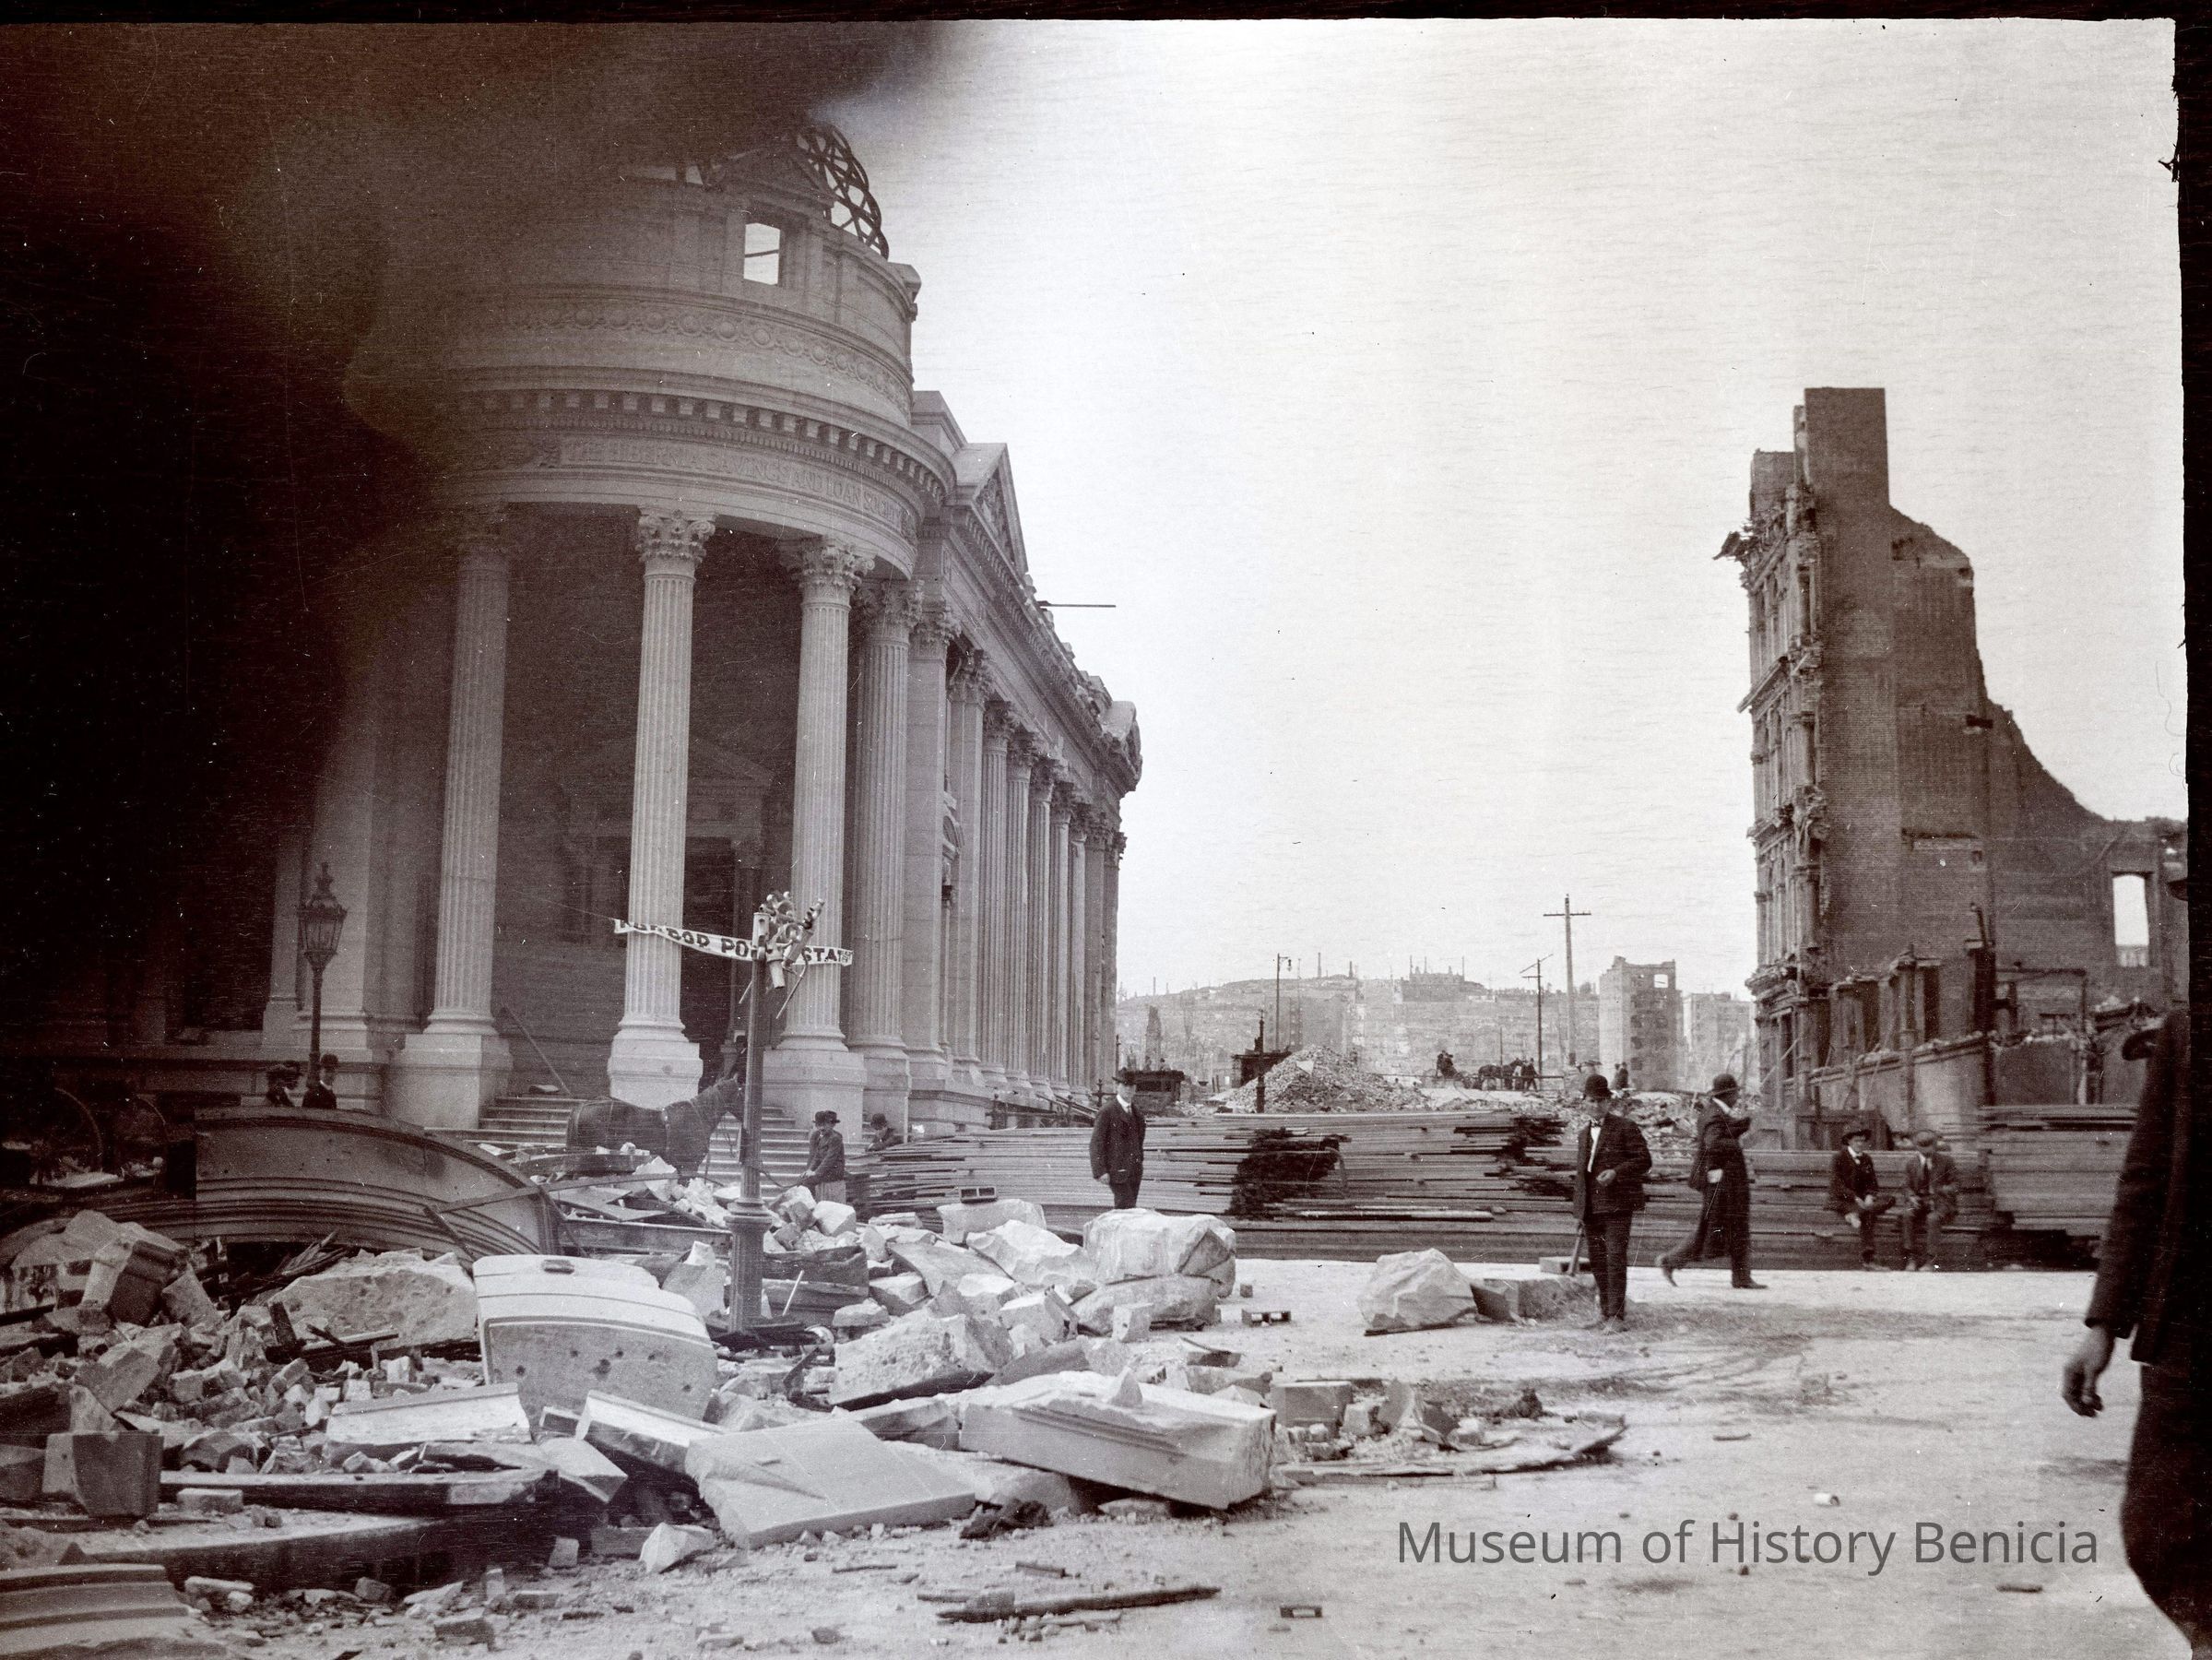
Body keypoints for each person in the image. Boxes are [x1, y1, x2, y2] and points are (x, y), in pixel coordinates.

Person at [2063, 1007, 2206, 1655]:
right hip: (2192, 1325)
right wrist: (2103, 1324)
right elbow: (2144, 1180)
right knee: (2159, 1528)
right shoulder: (2187, 1032)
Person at [1657, 1072, 1763, 1289]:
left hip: (1723, 1181)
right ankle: (1670, 1261)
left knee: (1732, 1226)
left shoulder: (1714, 1112)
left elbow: (1725, 1129)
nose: (1738, 1097)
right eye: (1736, 1093)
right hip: (1722, 1183)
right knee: (1720, 1227)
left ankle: (1741, 1277)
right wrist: (1739, 1144)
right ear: (1728, 1095)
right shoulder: (1715, 1114)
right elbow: (1713, 1143)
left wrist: (1744, 1124)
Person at [1571, 1074, 1650, 1331]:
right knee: (1598, 1262)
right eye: (1591, 1101)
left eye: (1601, 1101)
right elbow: (1582, 1175)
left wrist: (1616, 1172)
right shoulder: (1583, 1134)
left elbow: (1644, 1160)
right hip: (1592, 1208)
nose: (1596, 1105)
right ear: (1584, 1102)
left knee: (1615, 1259)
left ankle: (1617, 1317)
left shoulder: (1625, 1127)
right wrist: (1580, 1211)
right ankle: (1604, 1313)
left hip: (1617, 1206)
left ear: (1609, 1102)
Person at [1828, 1126, 1897, 1269]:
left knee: (1890, 1199)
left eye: (1862, 1141)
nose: (1860, 1144)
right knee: (1868, 1215)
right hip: (1844, 1199)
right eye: (1856, 1141)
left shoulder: (1866, 1158)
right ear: (1849, 1141)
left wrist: (1870, 1196)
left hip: (1863, 1202)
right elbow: (1836, 1185)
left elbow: (1872, 1183)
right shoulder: (1839, 1157)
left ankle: (1855, 1214)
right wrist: (1855, 1197)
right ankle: (1869, 1259)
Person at [1900, 1129, 1958, 1271]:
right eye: (1922, 1149)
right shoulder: (1911, 1163)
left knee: (1933, 1218)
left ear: (1935, 1146)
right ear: (1917, 1147)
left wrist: (1939, 1190)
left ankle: (1930, 1261)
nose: (1926, 1152)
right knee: (1907, 1214)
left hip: (1941, 1203)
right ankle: (1911, 1258)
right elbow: (1906, 1186)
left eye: (1929, 1149)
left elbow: (1956, 1186)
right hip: (1919, 1202)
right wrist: (1911, 1197)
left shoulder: (1947, 1162)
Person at [1090, 1082, 1146, 1208]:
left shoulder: (1137, 1113)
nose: (1128, 1089)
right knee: (1125, 1205)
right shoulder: (1107, 1111)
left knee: (1129, 1208)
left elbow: (1139, 1140)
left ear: (1135, 1089)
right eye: (1124, 1085)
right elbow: (1097, 1142)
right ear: (1117, 1087)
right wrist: (1100, 1171)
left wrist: (1139, 1160)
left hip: (1134, 1170)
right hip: (1116, 1169)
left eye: (1131, 1086)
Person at [800, 1109, 847, 1204]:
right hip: (826, 1171)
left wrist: (816, 1172)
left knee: (808, 1182)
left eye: (825, 1124)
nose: (821, 1127)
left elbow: (829, 1159)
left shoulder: (835, 1138)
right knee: (803, 1179)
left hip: (834, 1172)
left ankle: (812, 1206)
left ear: (830, 1124)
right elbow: (817, 1157)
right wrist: (810, 1170)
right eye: (819, 1125)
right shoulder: (822, 1138)